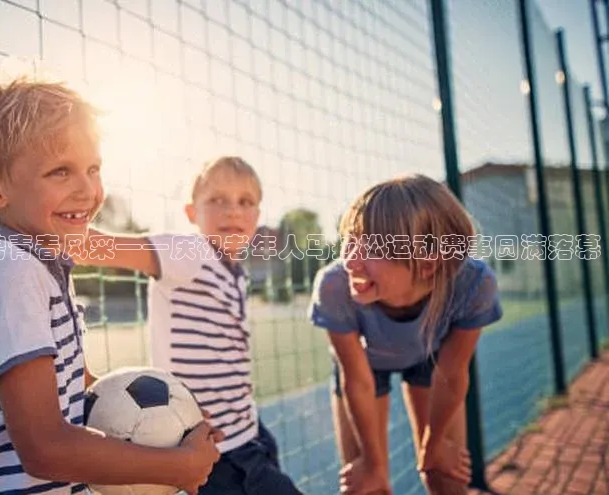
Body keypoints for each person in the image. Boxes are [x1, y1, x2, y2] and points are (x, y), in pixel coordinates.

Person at [0, 75, 222, 495]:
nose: (87, 190)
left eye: (93, 169)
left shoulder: (43, 265)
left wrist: (170, 424)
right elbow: (44, 447)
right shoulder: (12, 274)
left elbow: (75, 388)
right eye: (61, 171)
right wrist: (173, 466)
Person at [75, 156, 303, 495]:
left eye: (246, 202)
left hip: (249, 430)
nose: (233, 211)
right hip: (217, 453)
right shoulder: (189, 253)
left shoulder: (236, 273)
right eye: (217, 200)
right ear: (191, 213)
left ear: (257, 216)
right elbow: (96, 247)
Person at [308, 174, 502, 495]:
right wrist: (373, 463)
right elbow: (357, 380)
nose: (350, 260)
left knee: (447, 478)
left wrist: (434, 444)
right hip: (364, 368)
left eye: (369, 246)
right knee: (368, 486)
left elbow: (452, 373)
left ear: (427, 265)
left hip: (431, 359)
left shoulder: (474, 284)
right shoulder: (333, 286)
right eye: (350, 239)